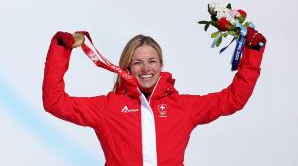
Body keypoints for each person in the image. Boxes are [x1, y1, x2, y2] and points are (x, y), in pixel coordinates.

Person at [42, 27, 266, 166]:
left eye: (152, 61)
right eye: (137, 62)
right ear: (127, 67)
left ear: (161, 65)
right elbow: (55, 102)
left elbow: (233, 99)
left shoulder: (183, 107)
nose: (145, 69)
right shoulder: (107, 108)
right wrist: (61, 50)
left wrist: (253, 53)